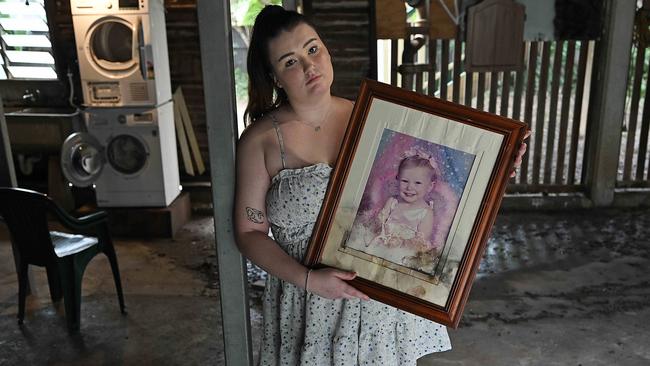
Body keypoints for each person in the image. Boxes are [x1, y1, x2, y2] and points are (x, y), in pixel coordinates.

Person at [234, 5, 528, 365]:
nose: (310, 66)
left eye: (313, 49)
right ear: (275, 76)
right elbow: (249, 232)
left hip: (377, 293)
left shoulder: (376, 118)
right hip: (307, 300)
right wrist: (309, 280)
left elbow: (440, 172)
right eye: (290, 61)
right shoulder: (261, 141)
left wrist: (496, 163)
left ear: (326, 50)